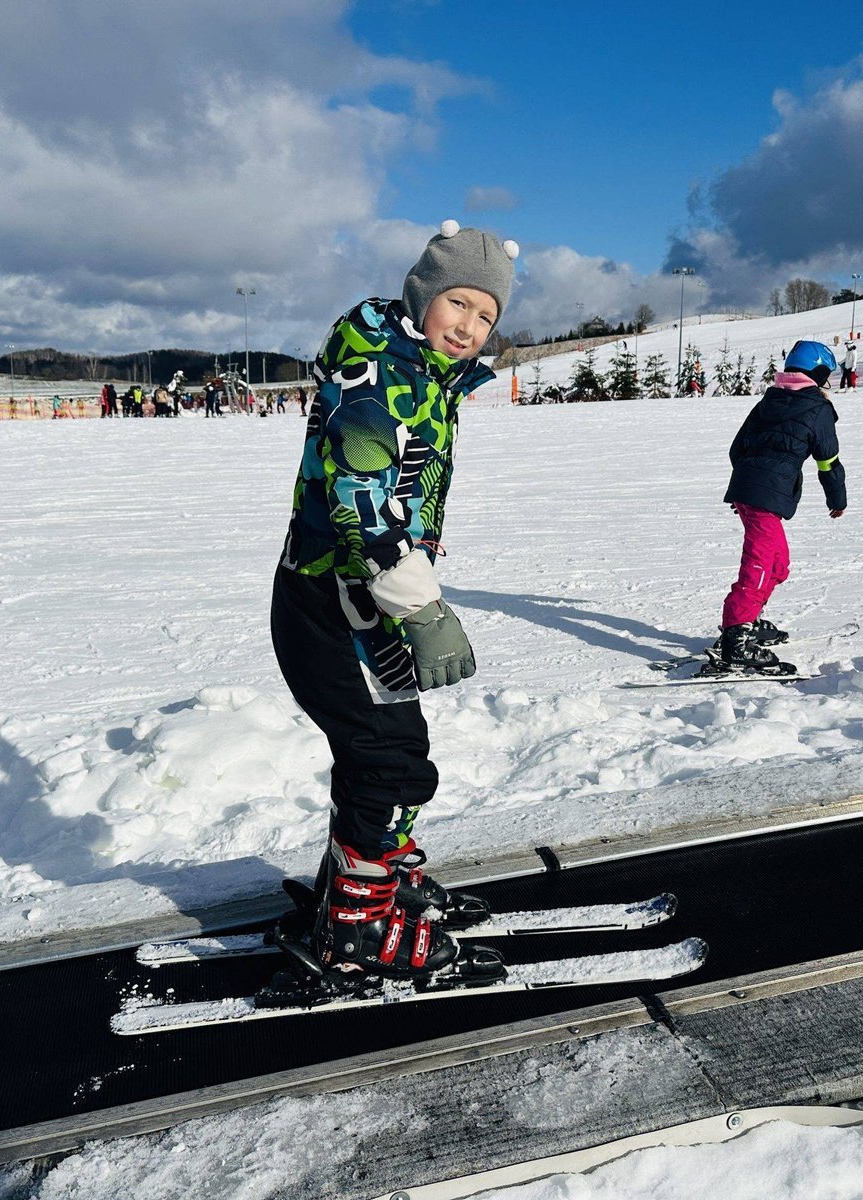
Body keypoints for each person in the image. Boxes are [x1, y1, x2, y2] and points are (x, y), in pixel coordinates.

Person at [271, 220, 518, 986]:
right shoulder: (380, 375)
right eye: (460, 304)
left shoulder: (424, 376)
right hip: (334, 598)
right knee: (390, 761)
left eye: (486, 317)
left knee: (389, 753)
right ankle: (355, 924)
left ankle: (373, 876)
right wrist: (425, 609)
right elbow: (360, 506)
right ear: (424, 292)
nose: (470, 327)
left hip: (361, 600)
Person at [713, 340, 847, 673]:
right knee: (758, 567)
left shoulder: (768, 400)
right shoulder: (818, 408)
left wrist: (746, 485)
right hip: (763, 495)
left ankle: (749, 619)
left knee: (777, 564)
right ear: (818, 372)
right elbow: (828, 461)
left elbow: (737, 448)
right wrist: (837, 500)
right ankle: (735, 639)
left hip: (754, 493)